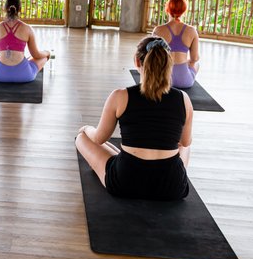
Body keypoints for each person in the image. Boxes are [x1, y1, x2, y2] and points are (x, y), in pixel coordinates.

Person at [75, 36, 193, 201]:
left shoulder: (120, 96)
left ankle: (124, 156)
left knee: (82, 139)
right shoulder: (184, 99)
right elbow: (185, 142)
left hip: (126, 182)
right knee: (185, 146)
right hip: (172, 186)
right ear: (169, 64)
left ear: (137, 62)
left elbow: (99, 138)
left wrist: (86, 128)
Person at [0, 0, 50, 82]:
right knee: (42, 58)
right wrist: (47, 53)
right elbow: (36, 55)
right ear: (20, 9)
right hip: (24, 76)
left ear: (5, 9)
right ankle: (42, 57)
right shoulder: (28, 29)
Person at [152, 0, 200, 88]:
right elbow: (194, 58)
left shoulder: (158, 30)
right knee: (196, 63)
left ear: (167, 10)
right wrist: (187, 62)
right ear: (184, 11)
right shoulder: (192, 31)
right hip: (184, 82)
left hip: (163, 81)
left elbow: (152, 57)